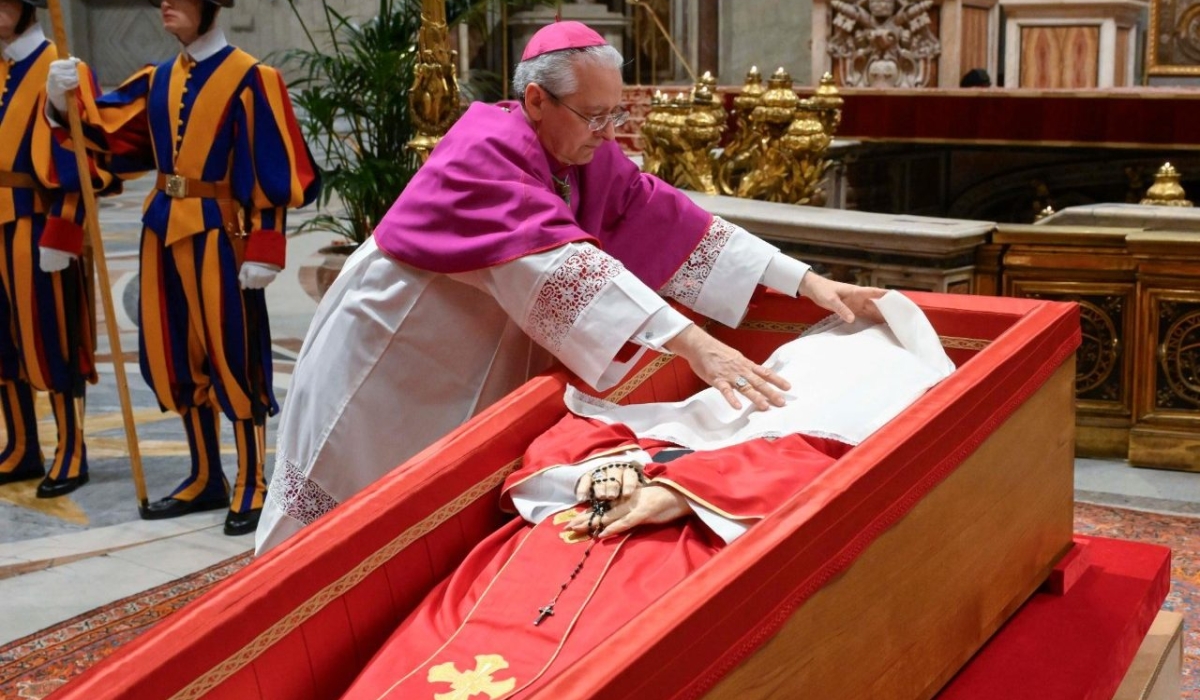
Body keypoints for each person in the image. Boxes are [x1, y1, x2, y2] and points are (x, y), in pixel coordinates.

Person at [252, 20, 885, 555]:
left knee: (420, 521)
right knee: (328, 525)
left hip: (461, 365)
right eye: (595, 116)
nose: (609, 133)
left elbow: (672, 222)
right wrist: (695, 344)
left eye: (616, 114)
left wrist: (806, 280)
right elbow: (562, 268)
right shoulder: (482, 153)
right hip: (386, 362)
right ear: (536, 100)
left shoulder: (580, 153)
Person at [338, 290, 955, 698]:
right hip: (575, 528)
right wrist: (610, 468)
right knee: (455, 642)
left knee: (592, 658)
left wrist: (681, 492)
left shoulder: (855, 420)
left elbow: (818, 480)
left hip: (681, 545)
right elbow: (595, 431)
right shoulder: (733, 397)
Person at [43, 0, 320, 534]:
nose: (166, 3)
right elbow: (109, 139)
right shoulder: (158, 79)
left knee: (233, 354)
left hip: (221, 234)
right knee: (174, 354)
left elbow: (273, 162)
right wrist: (62, 102)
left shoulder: (251, 78)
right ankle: (205, 475)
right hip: (161, 231)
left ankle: (251, 480)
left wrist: (265, 245)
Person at [0, 0, 104, 497]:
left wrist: (63, 232)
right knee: (2, 341)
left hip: (37, 222)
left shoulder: (61, 67)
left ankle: (71, 448)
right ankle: (22, 444)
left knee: (54, 337)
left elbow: (84, 158)